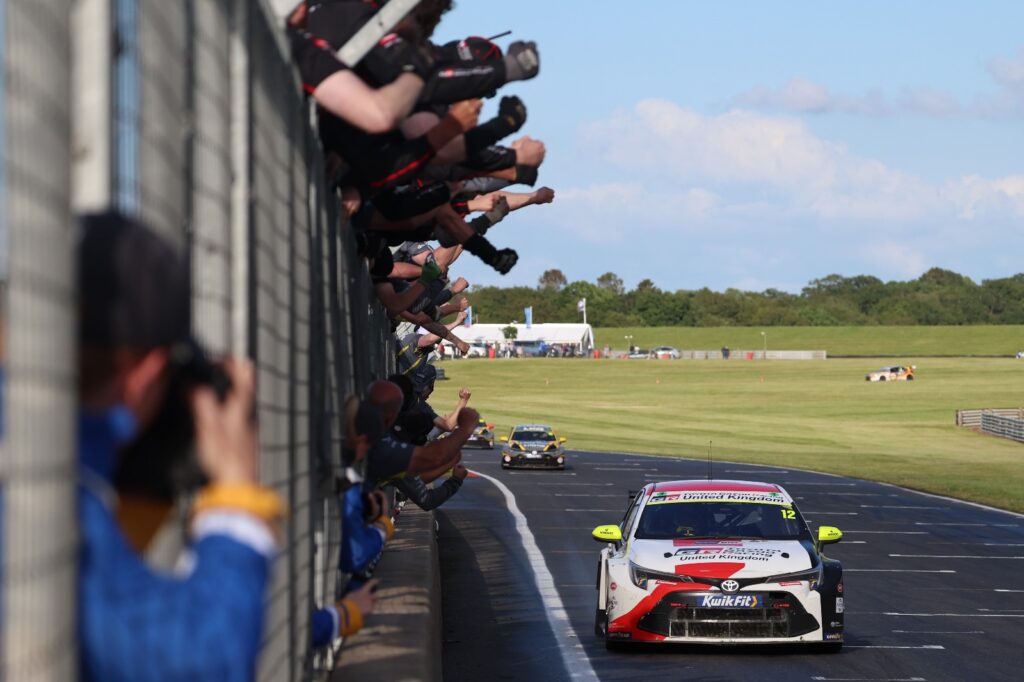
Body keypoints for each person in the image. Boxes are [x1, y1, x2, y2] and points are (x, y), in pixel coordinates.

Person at [75, 212, 281, 682]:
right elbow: (201, 665)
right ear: (150, 370)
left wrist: (137, 482)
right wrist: (237, 497)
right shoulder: (63, 504)